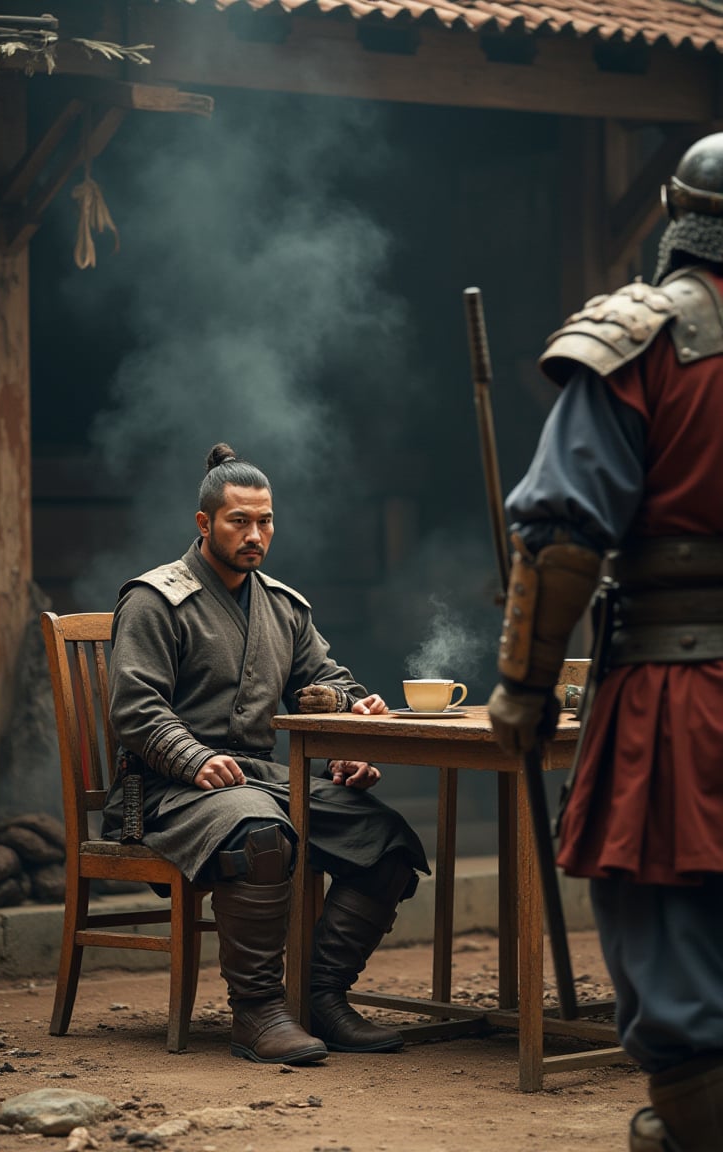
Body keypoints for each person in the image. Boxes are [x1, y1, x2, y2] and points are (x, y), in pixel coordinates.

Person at [487, 132, 723, 1152]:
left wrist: (521, 690)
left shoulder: (646, 338)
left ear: (680, 212)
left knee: (669, 940)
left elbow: (564, 535)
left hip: (678, 693)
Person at [103, 442, 428, 1066]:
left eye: (266, 521)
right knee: (260, 831)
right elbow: (135, 711)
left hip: (256, 779)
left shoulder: (282, 605)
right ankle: (257, 1013)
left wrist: (347, 731)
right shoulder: (153, 599)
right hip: (168, 790)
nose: (256, 535)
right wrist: (192, 758)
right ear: (204, 524)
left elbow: (331, 679)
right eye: (239, 521)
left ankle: (322, 999)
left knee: (383, 837)